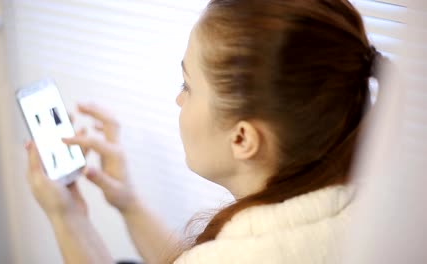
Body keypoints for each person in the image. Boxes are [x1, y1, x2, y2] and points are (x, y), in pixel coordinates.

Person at [25, 0, 384, 263]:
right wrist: (129, 203)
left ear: (242, 138)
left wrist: (66, 216)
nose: (177, 99)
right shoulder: (371, 212)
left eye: (187, 85)